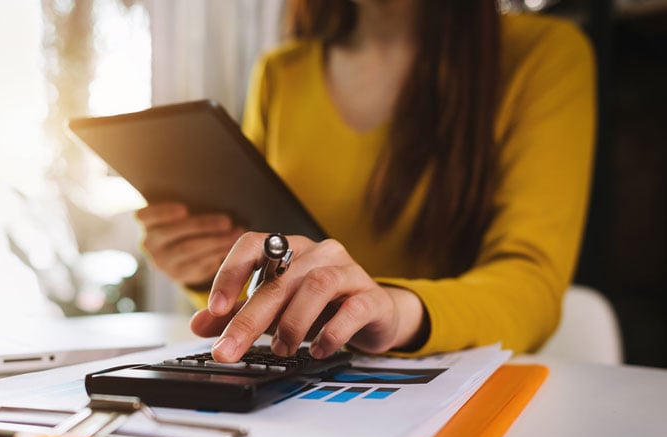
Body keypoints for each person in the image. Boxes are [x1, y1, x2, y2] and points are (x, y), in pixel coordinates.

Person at [136, 0, 595, 363]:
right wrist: (211, 267)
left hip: (443, 386)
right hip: (295, 377)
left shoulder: (545, 54)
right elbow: (267, 253)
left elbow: (530, 283)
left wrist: (391, 309)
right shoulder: (281, 73)